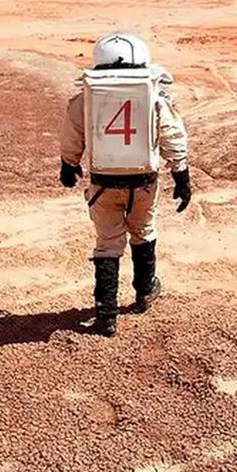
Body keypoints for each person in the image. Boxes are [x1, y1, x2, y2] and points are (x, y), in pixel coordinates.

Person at [58, 31, 191, 337]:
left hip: (104, 184)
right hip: (144, 183)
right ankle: (145, 292)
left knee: (108, 243)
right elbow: (172, 137)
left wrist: (69, 165)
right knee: (144, 232)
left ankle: (106, 314)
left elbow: (72, 136)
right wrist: (181, 176)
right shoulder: (155, 98)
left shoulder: (84, 100)